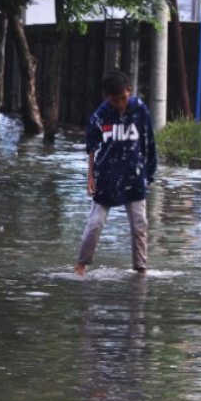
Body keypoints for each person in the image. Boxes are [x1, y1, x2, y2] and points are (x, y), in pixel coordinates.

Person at [74, 70, 158, 276]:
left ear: (129, 91)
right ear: (107, 97)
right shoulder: (100, 116)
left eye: (123, 98)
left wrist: (150, 173)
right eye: (114, 100)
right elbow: (92, 148)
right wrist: (90, 177)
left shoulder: (140, 110)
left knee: (140, 224)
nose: (120, 104)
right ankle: (81, 264)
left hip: (134, 176)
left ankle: (141, 268)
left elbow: (149, 142)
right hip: (107, 177)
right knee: (95, 224)